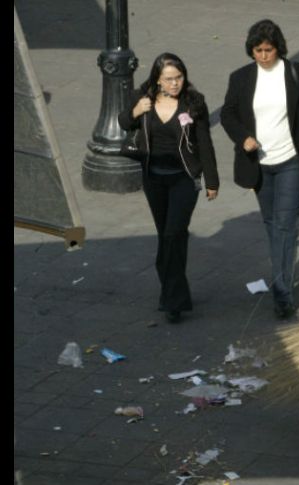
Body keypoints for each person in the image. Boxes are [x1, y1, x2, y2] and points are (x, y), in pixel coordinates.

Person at [220, 19, 299, 319]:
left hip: (292, 162)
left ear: (278, 48)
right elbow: (228, 113)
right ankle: (281, 275)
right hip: (259, 166)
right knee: (272, 225)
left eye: (268, 50)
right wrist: (242, 137)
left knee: (285, 226)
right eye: (257, 50)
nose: (262, 56)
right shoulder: (241, 78)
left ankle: (282, 292)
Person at [118, 52, 219, 324]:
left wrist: (212, 180)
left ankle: (174, 301)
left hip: (184, 179)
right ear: (158, 80)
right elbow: (124, 122)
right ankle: (171, 289)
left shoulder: (194, 103)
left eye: (179, 77)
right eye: (169, 79)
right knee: (166, 236)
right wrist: (136, 111)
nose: (175, 83)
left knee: (175, 233)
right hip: (154, 178)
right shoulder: (144, 97)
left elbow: (204, 142)